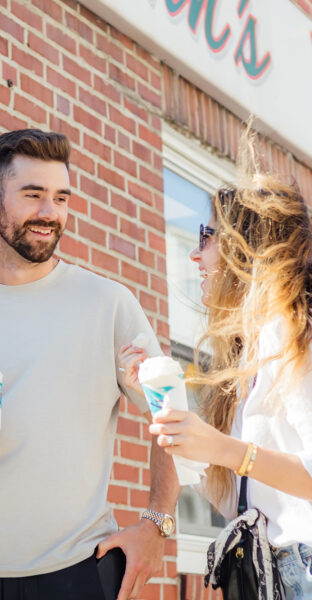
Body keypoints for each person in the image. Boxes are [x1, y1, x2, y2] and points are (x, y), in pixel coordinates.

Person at [0, 129, 180, 600]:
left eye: (60, 198)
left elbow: (169, 412)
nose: (50, 213)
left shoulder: (108, 303)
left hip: (76, 568)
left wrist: (156, 525)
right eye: (33, 196)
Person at [141, 176, 312, 599]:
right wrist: (164, 403)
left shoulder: (293, 336)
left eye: (207, 236)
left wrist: (223, 449)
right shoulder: (250, 353)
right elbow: (231, 497)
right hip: (270, 573)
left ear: (245, 247)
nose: (195, 254)